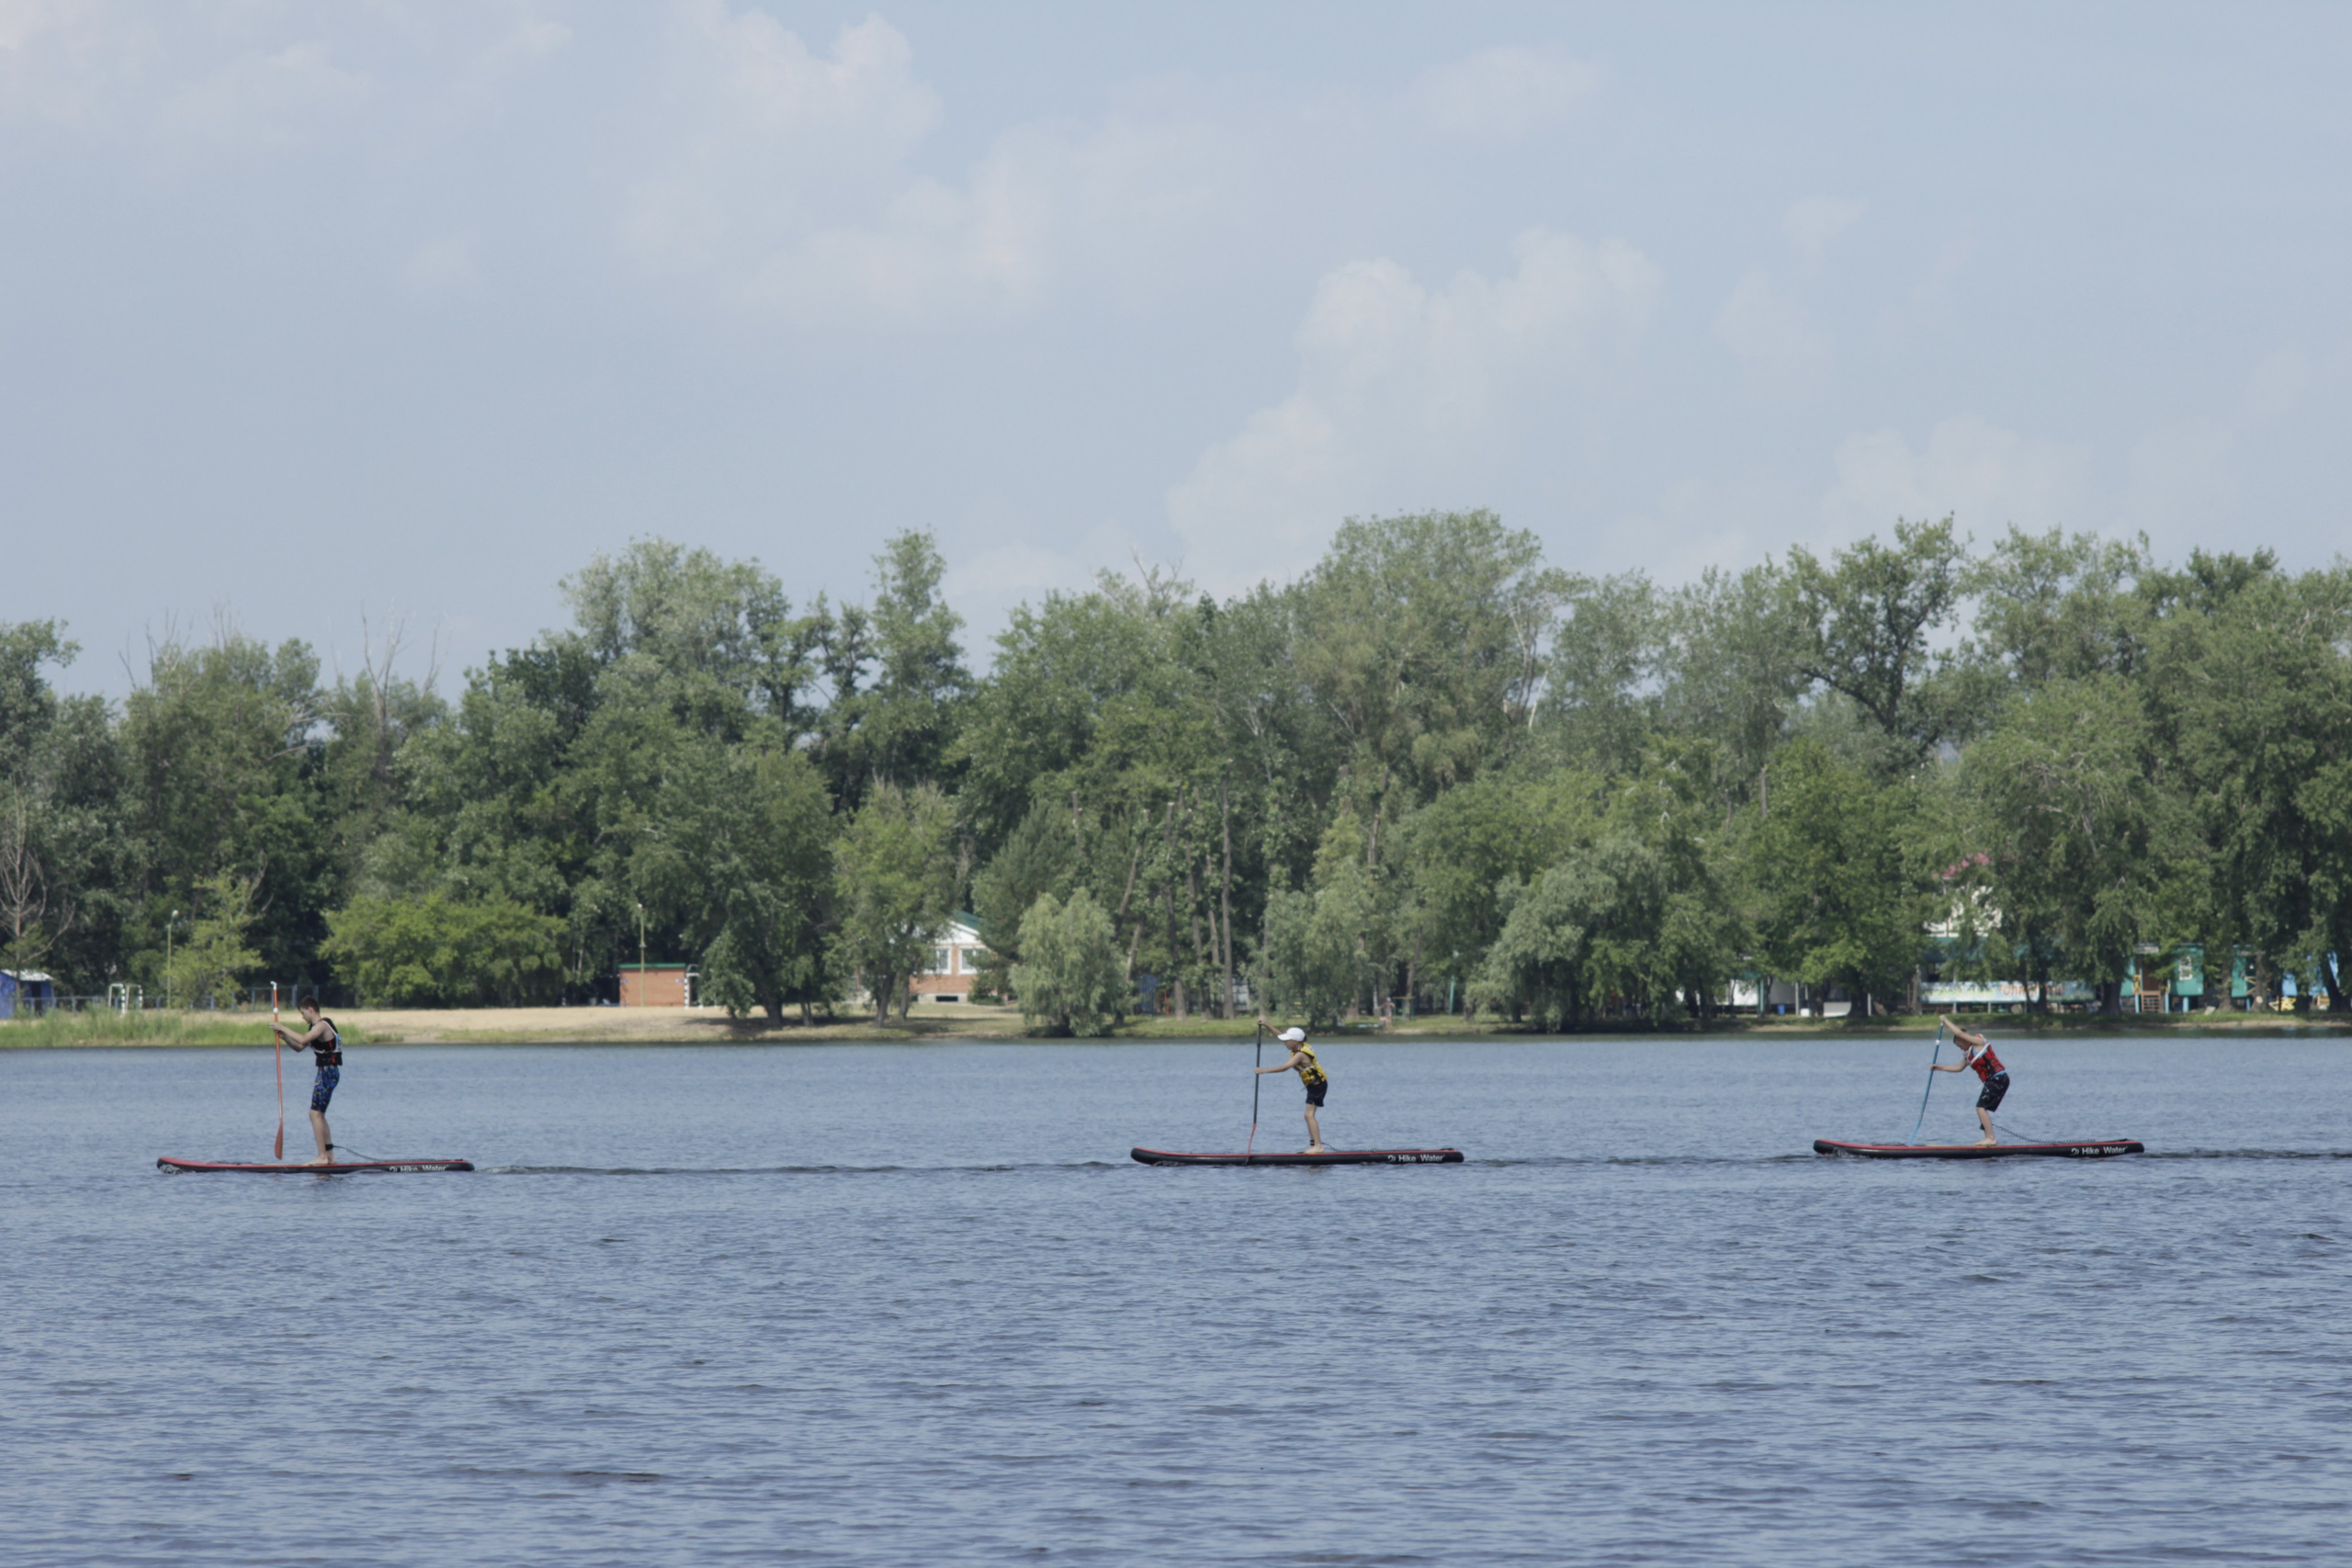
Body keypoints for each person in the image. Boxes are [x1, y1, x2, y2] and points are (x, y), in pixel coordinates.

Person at [272, 998, 345, 1166]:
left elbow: (304, 1040)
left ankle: (322, 1157)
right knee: (319, 1114)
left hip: (328, 1072)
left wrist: (283, 1026)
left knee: (314, 1114)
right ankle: (330, 1155)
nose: (303, 1017)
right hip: (325, 1072)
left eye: (303, 1013)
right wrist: (284, 1037)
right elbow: (299, 1047)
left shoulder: (322, 1025)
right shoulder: (314, 1029)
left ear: (311, 1010)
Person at [1931, 1014, 2008, 1146]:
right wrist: (1939, 1067)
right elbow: (1958, 1068)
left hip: (1998, 1078)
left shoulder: (1979, 1043)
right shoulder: (1969, 1056)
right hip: (1995, 1081)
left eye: (1960, 1045)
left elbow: (1959, 1032)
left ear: (1964, 1040)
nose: (1960, 1048)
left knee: (1980, 1107)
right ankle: (1989, 1137)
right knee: (1981, 1108)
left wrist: (1945, 1020)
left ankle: (1990, 1138)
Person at [1254, 1021, 1329, 1152]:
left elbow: (1284, 1068)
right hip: (1313, 1085)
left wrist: (1263, 1071)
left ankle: (1318, 1146)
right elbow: (1280, 1035)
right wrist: (1267, 1024)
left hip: (1318, 1085)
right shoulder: (1299, 1045)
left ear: (1295, 1041)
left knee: (1309, 1115)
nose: (1285, 1043)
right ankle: (1314, 1145)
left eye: (1287, 1041)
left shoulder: (1300, 1054)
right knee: (1307, 1115)